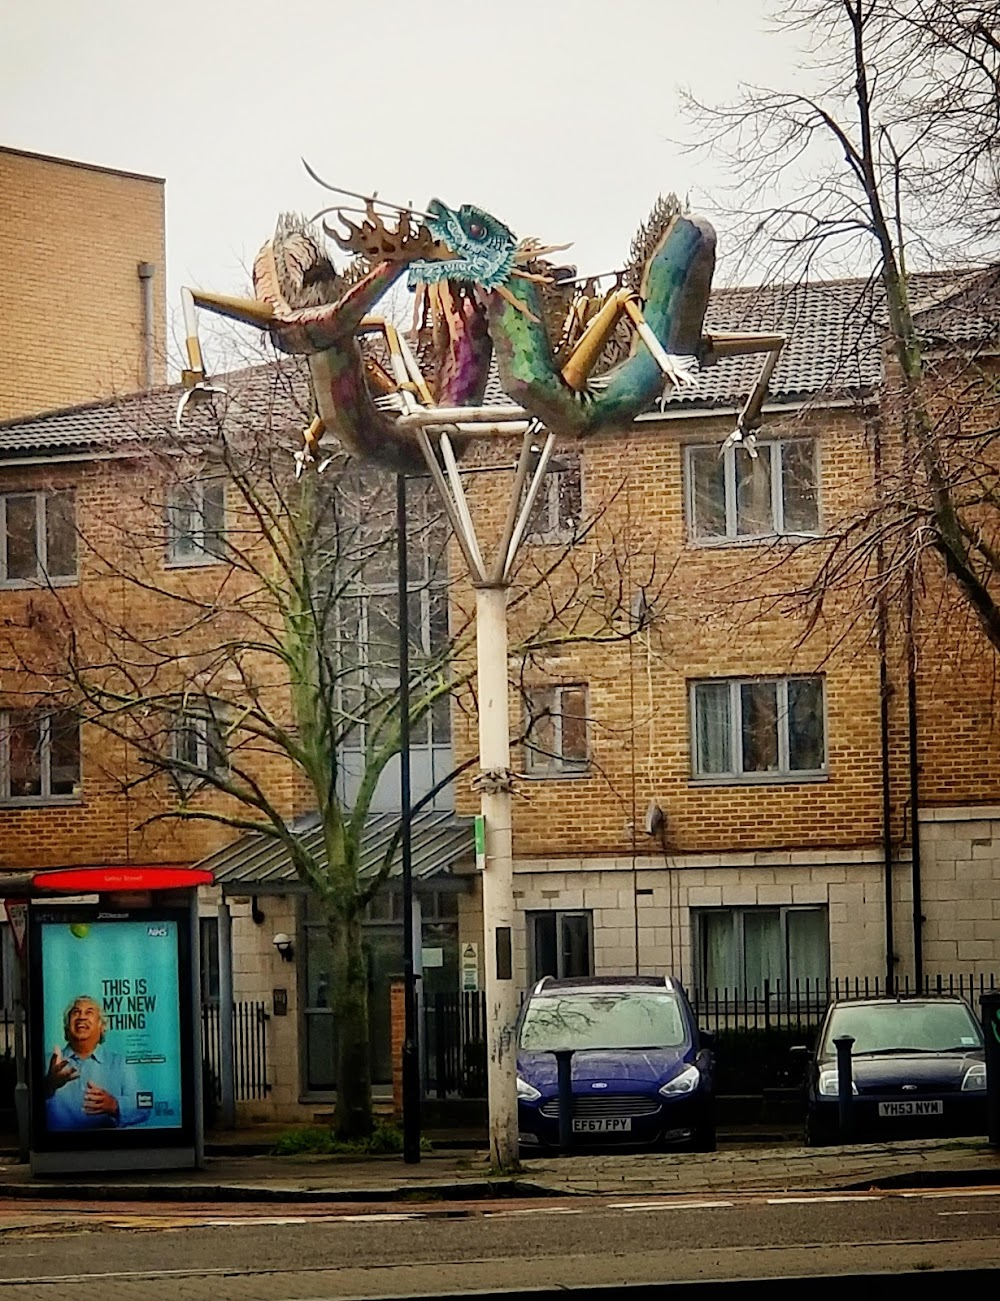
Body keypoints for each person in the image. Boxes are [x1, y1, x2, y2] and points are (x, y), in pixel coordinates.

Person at [44, 995, 150, 1130]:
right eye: (76, 1012)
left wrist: (115, 1105)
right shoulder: (46, 1062)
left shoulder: (121, 1064)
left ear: (102, 1027)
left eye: (89, 1012)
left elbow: (145, 1104)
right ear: (66, 1026)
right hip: (58, 1149)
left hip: (106, 1149)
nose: (82, 1017)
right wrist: (49, 1085)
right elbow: (26, 1107)